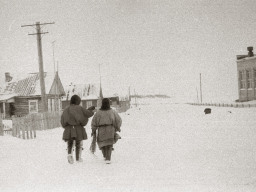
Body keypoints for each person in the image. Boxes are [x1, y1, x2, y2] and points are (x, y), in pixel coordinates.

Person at [61, 95, 95, 164]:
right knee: (78, 143)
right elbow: (87, 114)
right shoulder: (80, 108)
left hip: (69, 128)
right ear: (78, 101)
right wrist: (90, 110)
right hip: (78, 128)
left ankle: (69, 155)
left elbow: (62, 120)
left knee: (70, 143)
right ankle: (78, 158)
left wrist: (66, 127)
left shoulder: (66, 109)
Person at [91, 98, 122, 164]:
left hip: (101, 130)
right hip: (110, 129)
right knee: (109, 144)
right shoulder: (112, 111)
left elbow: (94, 122)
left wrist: (93, 130)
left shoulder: (98, 113)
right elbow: (118, 120)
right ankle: (108, 158)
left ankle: (105, 156)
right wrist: (117, 128)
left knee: (103, 144)